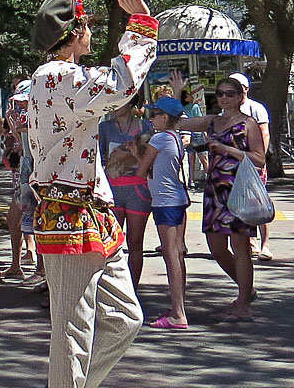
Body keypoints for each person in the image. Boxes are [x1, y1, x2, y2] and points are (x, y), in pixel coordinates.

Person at [26, 0, 154, 388]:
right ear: (74, 31)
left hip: (90, 212)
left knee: (126, 319)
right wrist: (141, 26)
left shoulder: (57, 78)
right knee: (73, 327)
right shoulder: (57, 77)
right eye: (88, 26)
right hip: (69, 214)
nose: (92, 34)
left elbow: (111, 87)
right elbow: (121, 83)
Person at [173, 77, 264, 322]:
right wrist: (178, 93)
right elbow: (179, 122)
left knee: (240, 246)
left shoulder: (248, 123)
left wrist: (227, 150)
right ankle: (248, 290)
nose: (224, 97)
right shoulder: (212, 121)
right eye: (220, 93)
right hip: (215, 189)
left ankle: (244, 303)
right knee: (215, 246)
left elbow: (259, 158)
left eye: (230, 93)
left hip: (239, 189)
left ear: (240, 96)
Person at [136, 96, 190, 328]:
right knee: (177, 254)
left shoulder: (158, 139)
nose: (151, 120)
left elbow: (141, 170)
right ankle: (179, 306)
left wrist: (134, 152)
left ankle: (178, 314)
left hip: (165, 201)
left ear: (164, 117)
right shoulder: (175, 138)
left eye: (154, 115)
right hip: (176, 197)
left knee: (171, 257)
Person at [228, 73, 273, 262]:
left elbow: (265, 134)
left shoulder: (256, 108)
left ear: (245, 89)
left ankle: (265, 244)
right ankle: (251, 243)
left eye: (235, 88)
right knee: (242, 203)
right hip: (234, 166)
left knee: (259, 203)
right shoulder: (227, 111)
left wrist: (258, 160)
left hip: (253, 163)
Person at [105, 130, 152, 289]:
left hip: (138, 188)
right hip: (112, 188)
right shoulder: (105, 127)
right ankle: (111, 288)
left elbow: (151, 157)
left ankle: (132, 290)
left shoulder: (145, 127)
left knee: (135, 242)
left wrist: (127, 154)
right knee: (109, 242)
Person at [3, 80, 34, 280]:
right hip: (21, 173)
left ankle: (42, 269)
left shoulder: (38, 115)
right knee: (14, 220)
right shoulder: (20, 115)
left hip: (32, 173)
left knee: (33, 220)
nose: (21, 105)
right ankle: (16, 264)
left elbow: (30, 145)